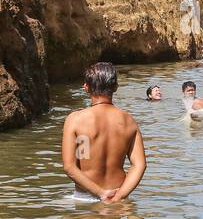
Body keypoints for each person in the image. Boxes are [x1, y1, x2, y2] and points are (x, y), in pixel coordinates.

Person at [61, 62, 146, 203]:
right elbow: (139, 165)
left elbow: (69, 167)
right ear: (116, 87)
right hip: (119, 196)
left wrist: (101, 193)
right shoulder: (129, 121)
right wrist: (118, 197)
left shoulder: (75, 119)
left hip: (85, 197)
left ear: (86, 87)